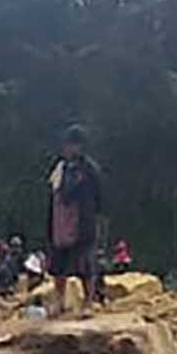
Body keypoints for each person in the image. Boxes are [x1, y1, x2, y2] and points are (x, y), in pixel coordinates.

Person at [45, 125, 104, 317]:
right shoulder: (60, 168)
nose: (68, 149)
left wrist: (95, 217)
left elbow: (99, 197)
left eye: (72, 145)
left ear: (80, 147)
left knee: (85, 265)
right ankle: (60, 301)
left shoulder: (90, 170)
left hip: (82, 222)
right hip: (60, 223)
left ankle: (88, 303)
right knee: (58, 265)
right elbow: (53, 194)